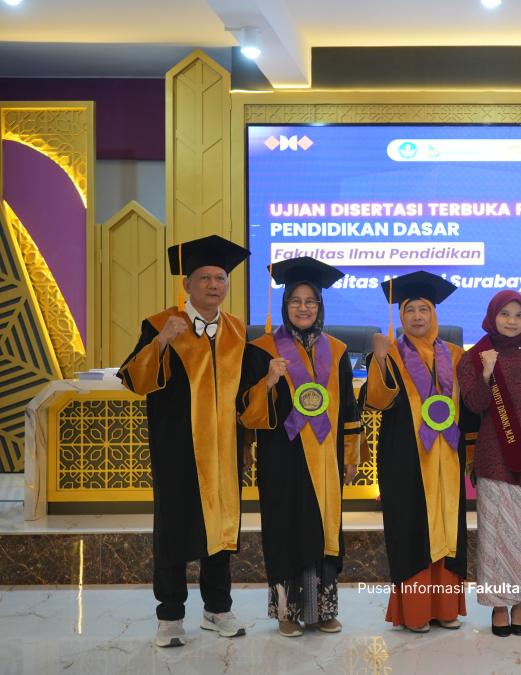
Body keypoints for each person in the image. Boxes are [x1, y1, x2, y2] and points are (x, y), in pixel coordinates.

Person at [117, 235, 251, 648]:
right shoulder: (160, 323)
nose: (213, 285)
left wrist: (246, 444)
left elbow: (243, 395)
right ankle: (170, 615)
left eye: (220, 278)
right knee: (174, 529)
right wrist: (161, 341)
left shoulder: (237, 330)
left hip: (224, 449)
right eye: (204, 278)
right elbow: (134, 380)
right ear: (187, 284)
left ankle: (217, 608)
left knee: (221, 527)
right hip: (177, 448)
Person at [236, 257, 367, 637]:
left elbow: (349, 408)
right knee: (286, 527)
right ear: (285, 305)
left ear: (320, 306)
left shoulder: (337, 350)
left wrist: (351, 456)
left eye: (311, 301)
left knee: (324, 528)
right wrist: (268, 381)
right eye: (295, 301)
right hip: (282, 456)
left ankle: (322, 611)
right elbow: (244, 412)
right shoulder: (261, 350)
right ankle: (287, 613)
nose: (303, 308)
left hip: (326, 455)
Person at [365, 271, 475, 633]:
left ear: (433, 314)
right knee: (412, 530)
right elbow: (377, 401)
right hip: (406, 460)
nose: (416, 316)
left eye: (423, 309)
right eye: (409, 309)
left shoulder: (455, 355)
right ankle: (414, 612)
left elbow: (469, 408)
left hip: (448, 459)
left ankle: (445, 608)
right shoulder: (390, 353)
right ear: (400, 316)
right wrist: (379, 360)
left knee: (448, 527)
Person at [456, 290, 521, 637]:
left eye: (519, 315)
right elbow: (474, 405)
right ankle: (499, 606)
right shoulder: (474, 357)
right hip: (494, 458)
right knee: (496, 536)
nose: (512, 321)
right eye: (505, 314)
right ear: (492, 316)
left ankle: (520, 605)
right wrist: (486, 373)